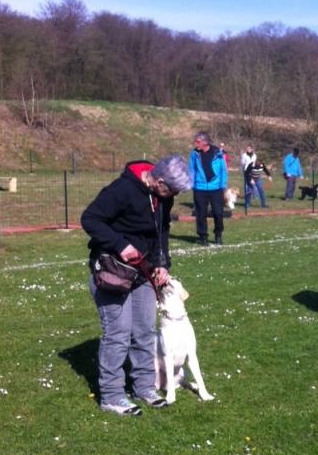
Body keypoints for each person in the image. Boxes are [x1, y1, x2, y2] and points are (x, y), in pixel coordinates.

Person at [81, 155, 192, 415]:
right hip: (113, 272)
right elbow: (90, 219)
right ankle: (111, 395)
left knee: (144, 332)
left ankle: (144, 387)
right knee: (118, 334)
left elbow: (162, 231)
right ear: (159, 180)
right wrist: (121, 245)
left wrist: (163, 263)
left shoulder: (164, 196)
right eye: (172, 190)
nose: (173, 195)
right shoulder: (121, 190)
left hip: (145, 273)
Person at [189, 131, 227, 245]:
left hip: (216, 188)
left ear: (205, 142)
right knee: (201, 214)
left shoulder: (218, 153)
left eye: (198, 141)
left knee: (218, 213)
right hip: (199, 188)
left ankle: (218, 234)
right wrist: (192, 184)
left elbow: (223, 170)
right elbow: (192, 169)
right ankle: (203, 236)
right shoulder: (194, 153)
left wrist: (223, 186)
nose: (195, 143)